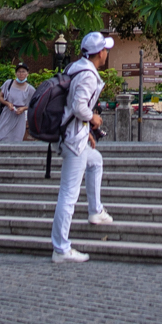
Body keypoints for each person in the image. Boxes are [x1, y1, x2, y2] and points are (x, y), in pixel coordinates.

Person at [51, 30, 116, 263]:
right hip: (73, 140)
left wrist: (86, 128)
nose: (107, 52)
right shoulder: (88, 75)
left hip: (71, 134)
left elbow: (70, 106)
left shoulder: (75, 67)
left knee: (96, 161)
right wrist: (93, 118)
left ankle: (96, 211)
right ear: (100, 53)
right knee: (69, 194)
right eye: (105, 49)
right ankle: (61, 248)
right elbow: (79, 107)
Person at [0, 64, 36, 144]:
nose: (21, 74)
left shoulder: (30, 89)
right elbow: (0, 97)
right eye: (19, 72)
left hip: (19, 116)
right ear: (16, 73)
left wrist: (23, 108)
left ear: (27, 74)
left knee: (16, 138)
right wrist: (7, 103)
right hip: (7, 114)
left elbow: (34, 104)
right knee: (1, 136)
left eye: (23, 72)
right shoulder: (8, 83)